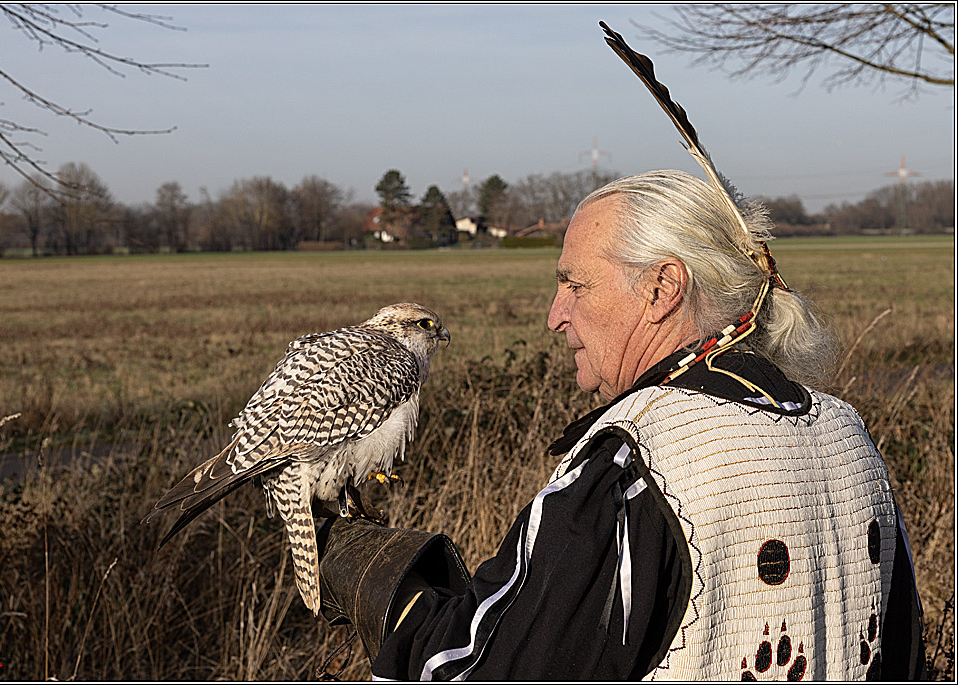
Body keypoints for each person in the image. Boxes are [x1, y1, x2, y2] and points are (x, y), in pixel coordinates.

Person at [316, 170, 926, 680]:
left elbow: (491, 669)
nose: (556, 317)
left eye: (573, 284)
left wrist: (385, 580)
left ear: (662, 288)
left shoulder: (635, 465)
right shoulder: (847, 434)